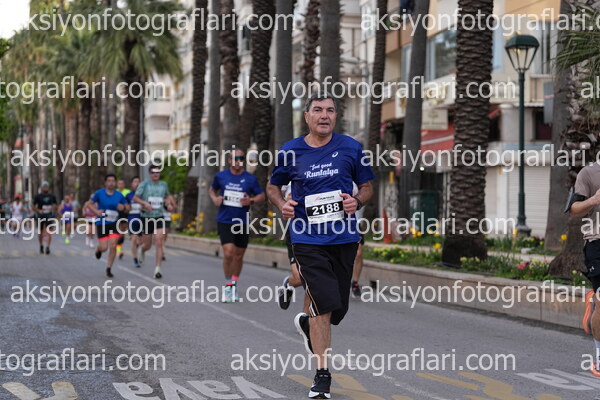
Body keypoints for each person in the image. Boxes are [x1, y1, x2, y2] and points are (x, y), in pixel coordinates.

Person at [267, 92, 374, 399]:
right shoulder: (291, 150)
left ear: (335, 116)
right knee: (323, 305)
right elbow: (273, 186)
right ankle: (322, 375)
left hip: (344, 239)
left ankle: (307, 323)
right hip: (306, 239)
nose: (324, 115)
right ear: (307, 116)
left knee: (337, 308)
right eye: (317, 110)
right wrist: (282, 205)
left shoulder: (351, 148)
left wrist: (357, 201)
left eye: (330, 110)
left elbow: (367, 187)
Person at [278, 182, 365, 310]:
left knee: (317, 281)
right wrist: (284, 203)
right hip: (301, 230)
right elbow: (273, 193)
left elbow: (364, 191)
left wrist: (355, 201)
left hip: (336, 230)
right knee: (302, 278)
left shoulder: (343, 175)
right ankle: (289, 283)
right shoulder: (293, 173)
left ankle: (307, 318)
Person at [209, 149, 266, 302]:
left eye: (241, 158)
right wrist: (215, 199)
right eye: (235, 158)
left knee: (239, 256)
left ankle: (234, 285)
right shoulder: (221, 176)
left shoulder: (250, 179)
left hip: (242, 221)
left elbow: (261, 195)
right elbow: (212, 190)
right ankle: (228, 286)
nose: (238, 161)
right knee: (228, 253)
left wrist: (251, 201)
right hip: (225, 220)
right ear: (229, 160)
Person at [568, 163, 600, 377]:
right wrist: (594, 200)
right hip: (597, 242)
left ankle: (594, 301)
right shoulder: (588, 173)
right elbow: (574, 209)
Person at [133, 165, 175, 279]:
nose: (156, 174)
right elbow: (135, 198)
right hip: (147, 217)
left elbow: (167, 196)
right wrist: (145, 203)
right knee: (147, 244)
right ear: (150, 173)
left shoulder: (163, 185)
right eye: (153, 172)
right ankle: (142, 250)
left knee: (159, 241)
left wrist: (168, 204)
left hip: (159, 216)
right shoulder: (144, 184)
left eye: (157, 172)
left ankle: (157, 268)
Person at [84, 174, 128, 278]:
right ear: (105, 183)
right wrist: (96, 212)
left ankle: (108, 269)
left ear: (115, 183)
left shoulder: (119, 195)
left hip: (114, 223)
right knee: (104, 248)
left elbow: (127, 207)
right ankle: (99, 249)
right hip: (102, 223)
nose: (111, 183)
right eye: (109, 181)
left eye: (113, 181)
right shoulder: (99, 193)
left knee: (113, 245)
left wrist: (123, 207)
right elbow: (88, 204)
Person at [32, 181, 58, 255]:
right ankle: (41, 245)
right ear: (42, 188)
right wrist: (38, 210)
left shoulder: (52, 196)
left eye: (46, 187)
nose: (45, 188)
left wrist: (53, 209)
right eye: (44, 187)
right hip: (40, 216)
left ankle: (47, 247)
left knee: (49, 231)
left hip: (49, 215)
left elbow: (55, 205)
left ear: (48, 188)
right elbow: (33, 206)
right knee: (40, 232)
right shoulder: (38, 196)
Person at [125, 176, 143, 267]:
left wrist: (143, 207)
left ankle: (138, 250)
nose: (137, 184)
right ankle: (135, 259)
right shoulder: (128, 196)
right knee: (134, 239)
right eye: (135, 182)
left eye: (138, 182)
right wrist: (128, 208)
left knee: (140, 241)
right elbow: (125, 209)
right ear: (132, 184)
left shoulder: (144, 195)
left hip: (143, 220)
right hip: (132, 220)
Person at [116, 179, 132, 260]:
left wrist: (128, 208)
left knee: (122, 233)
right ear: (117, 184)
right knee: (117, 232)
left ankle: (119, 248)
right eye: (119, 183)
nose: (120, 185)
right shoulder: (115, 192)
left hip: (125, 213)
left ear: (124, 184)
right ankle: (118, 250)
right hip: (116, 213)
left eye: (122, 183)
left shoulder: (128, 192)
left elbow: (130, 202)